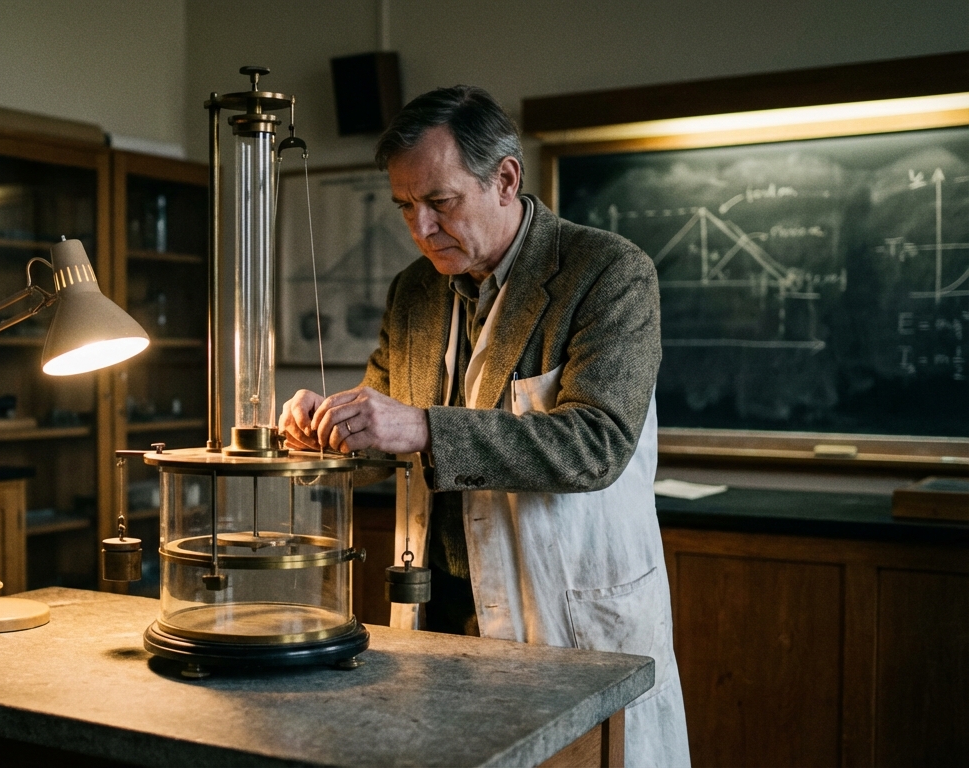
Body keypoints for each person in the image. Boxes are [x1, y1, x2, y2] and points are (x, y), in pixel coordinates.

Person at [278, 86, 690, 767]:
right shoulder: (415, 288)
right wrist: (326, 426)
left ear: (505, 179)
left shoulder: (609, 273)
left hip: (565, 615)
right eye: (405, 207)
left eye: (439, 202)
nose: (421, 228)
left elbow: (596, 444)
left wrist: (423, 428)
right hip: (436, 613)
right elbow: (388, 433)